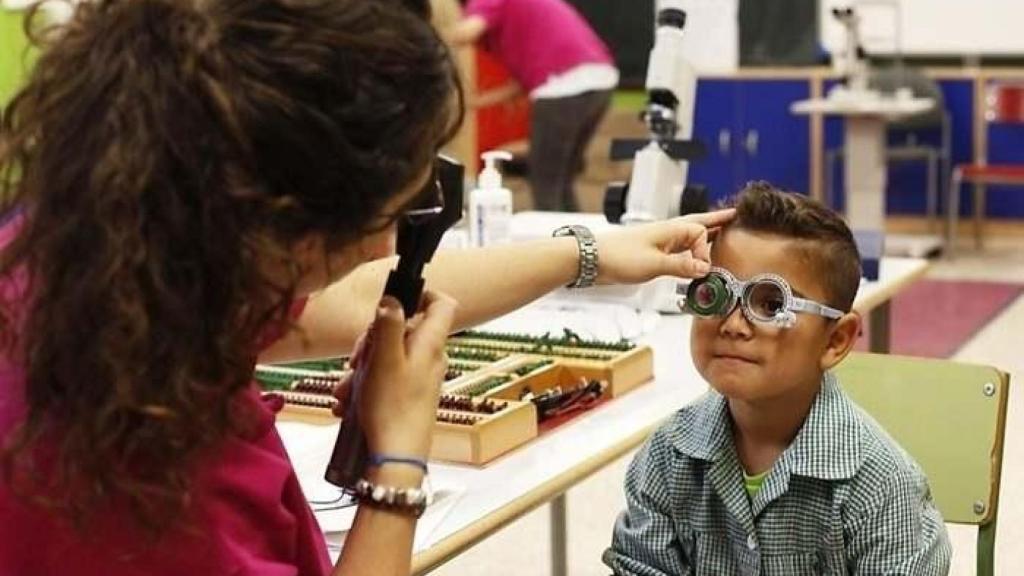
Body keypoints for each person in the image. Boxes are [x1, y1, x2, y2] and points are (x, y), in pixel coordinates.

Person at [0, 0, 732, 574]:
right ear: (291, 215)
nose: (389, 247)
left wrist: (592, 252)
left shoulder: (97, 249)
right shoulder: (165, 484)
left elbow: (350, 301)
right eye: (390, 214)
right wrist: (397, 466)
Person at [603, 182, 951, 575]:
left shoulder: (880, 487)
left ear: (835, 340)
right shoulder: (668, 458)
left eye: (770, 303)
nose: (733, 325)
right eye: (715, 293)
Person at [447, 0, 618, 212]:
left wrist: (420, 37)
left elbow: (467, 32)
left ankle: (555, 242)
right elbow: (524, 81)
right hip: (599, 80)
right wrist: (476, 102)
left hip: (564, 86)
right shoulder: (522, 15)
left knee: (545, 181)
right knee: (560, 181)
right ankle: (577, 239)